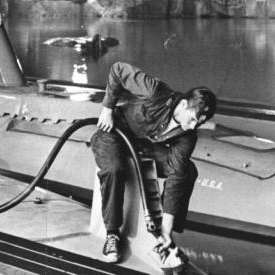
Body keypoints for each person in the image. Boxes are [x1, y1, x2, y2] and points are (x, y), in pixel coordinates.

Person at [91, 61, 216, 265]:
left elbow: (176, 175)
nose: (193, 127)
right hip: (115, 132)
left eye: (199, 123)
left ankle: (165, 235)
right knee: (114, 169)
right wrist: (107, 108)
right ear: (184, 104)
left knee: (187, 171)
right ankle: (112, 234)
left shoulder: (188, 135)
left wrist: (166, 229)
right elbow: (118, 70)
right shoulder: (155, 91)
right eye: (192, 119)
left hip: (143, 143)